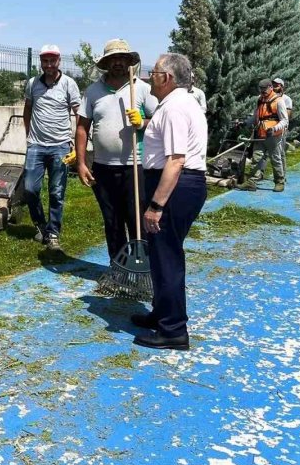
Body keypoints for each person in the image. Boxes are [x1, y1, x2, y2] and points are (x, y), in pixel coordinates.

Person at [132, 53, 208, 350]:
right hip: (177, 185)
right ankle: (162, 313)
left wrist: (156, 206)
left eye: (154, 72)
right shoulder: (177, 104)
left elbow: (176, 160)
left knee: (167, 258)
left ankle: (173, 329)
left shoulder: (175, 107)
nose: (149, 76)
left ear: (167, 78)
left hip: (175, 186)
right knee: (161, 255)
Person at [75, 38, 158, 261]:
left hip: (135, 166)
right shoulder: (93, 91)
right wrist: (81, 163)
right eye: (113, 59)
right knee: (112, 221)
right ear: (106, 63)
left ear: (129, 62)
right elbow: (82, 128)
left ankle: (143, 266)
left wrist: (142, 122)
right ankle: (119, 268)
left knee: (137, 220)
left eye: (122, 58)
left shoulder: (142, 89)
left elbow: (161, 121)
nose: (118, 62)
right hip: (103, 168)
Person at [22, 44, 81, 251]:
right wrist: (29, 136)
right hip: (36, 146)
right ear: (41, 62)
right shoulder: (32, 84)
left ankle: (53, 233)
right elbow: (27, 110)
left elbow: (79, 114)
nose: (48, 65)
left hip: (60, 147)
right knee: (30, 189)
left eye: (52, 61)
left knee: (57, 192)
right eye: (45, 61)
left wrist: (77, 145)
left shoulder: (69, 84)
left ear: (59, 61)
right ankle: (40, 225)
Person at [248, 78, 288, 192]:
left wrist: (274, 128)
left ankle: (279, 182)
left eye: (264, 89)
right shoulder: (260, 99)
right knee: (256, 158)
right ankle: (251, 182)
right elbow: (256, 115)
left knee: (275, 159)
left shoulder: (279, 101)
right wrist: (246, 123)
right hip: (260, 133)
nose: (262, 91)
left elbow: (285, 120)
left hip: (273, 135)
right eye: (261, 89)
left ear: (271, 87)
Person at [272, 77, 293, 175]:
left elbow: (287, 115)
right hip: (268, 128)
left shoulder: (286, 99)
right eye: (273, 84)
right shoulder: (268, 98)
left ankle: (282, 173)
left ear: (282, 86)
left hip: (281, 129)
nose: (274, 86)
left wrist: (281, 125)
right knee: (264, 153)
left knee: (280, 152)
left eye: (277, 85)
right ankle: (259, 175)